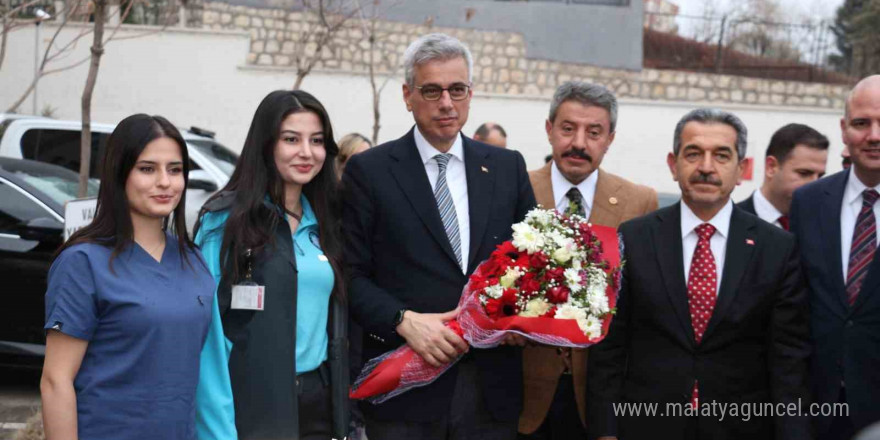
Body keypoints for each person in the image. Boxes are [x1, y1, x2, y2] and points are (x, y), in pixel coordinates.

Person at [342, 33, 536, 440]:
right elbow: (350, 274)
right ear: (407, 95)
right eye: (432, 90)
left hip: (490, 391)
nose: (446, 103)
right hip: (406, 391)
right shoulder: (371, 172)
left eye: (457, 89)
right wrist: (402, 321)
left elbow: (531, 263)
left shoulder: (507, 168)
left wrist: (522, 318)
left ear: (470, 93)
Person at [587, 108, 811, 440]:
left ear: (741, 170)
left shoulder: (776, 248)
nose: (706, 167)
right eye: (693, 154)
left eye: (721, 156)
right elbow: (609, 345)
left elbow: (788, 360)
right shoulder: (634, 238)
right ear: (673, 164)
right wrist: (605, 430)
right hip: (646, 424)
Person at [40, 114, 214, 440]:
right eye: (147, 169)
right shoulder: (83, 262)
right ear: (119, 174)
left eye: (175, 170)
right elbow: (55, 381)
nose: (165, 182)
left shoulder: (194, 261)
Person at [194, 90, 348, 440]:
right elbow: (208, 335)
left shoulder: (327, 223)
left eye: (317, 141)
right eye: (291, 139)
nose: (307, 152)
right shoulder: (225, 222)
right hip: (250, 403)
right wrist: (216, 430)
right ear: (266, 144)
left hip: (317, 404)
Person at [520, 81, 657, 440]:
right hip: (519, 393)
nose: (579, 143)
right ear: (549, 130)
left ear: (610, 138)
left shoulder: (638, 203)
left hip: (599, 397)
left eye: (593, 132)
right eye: (568, 129)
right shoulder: (514, 187)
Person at [789, 74, 880, 440]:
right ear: (844, 130)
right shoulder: (808, 202)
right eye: (862, 123)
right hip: (816, 409)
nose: (874, 135)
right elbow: (793, 309)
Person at [738, 123, 828, 230]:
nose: (815, 184)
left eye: (820, 176)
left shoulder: (822, 227)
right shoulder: (730, 223)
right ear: (771, 167)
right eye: (804, 173)